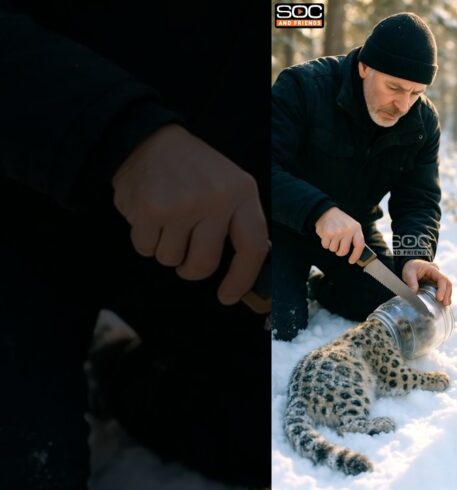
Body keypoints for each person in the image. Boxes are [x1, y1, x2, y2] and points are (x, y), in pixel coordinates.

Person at [0, 1, 271, 488]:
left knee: (282, 415)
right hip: (25, 181)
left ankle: (116, 367)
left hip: (200, 237)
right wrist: (118, 133)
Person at [270, 12, 454, 341]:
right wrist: (319, 210)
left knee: (396, 307)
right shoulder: (302, 87)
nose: (403, 105)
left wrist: (416, 256)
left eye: (415, 92)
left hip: (355, 238)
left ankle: (322, 288)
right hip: (284, 226)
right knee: (284, 326)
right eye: (394, 87)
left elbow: (419, 200)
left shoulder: (422, 122)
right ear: (364, 67)